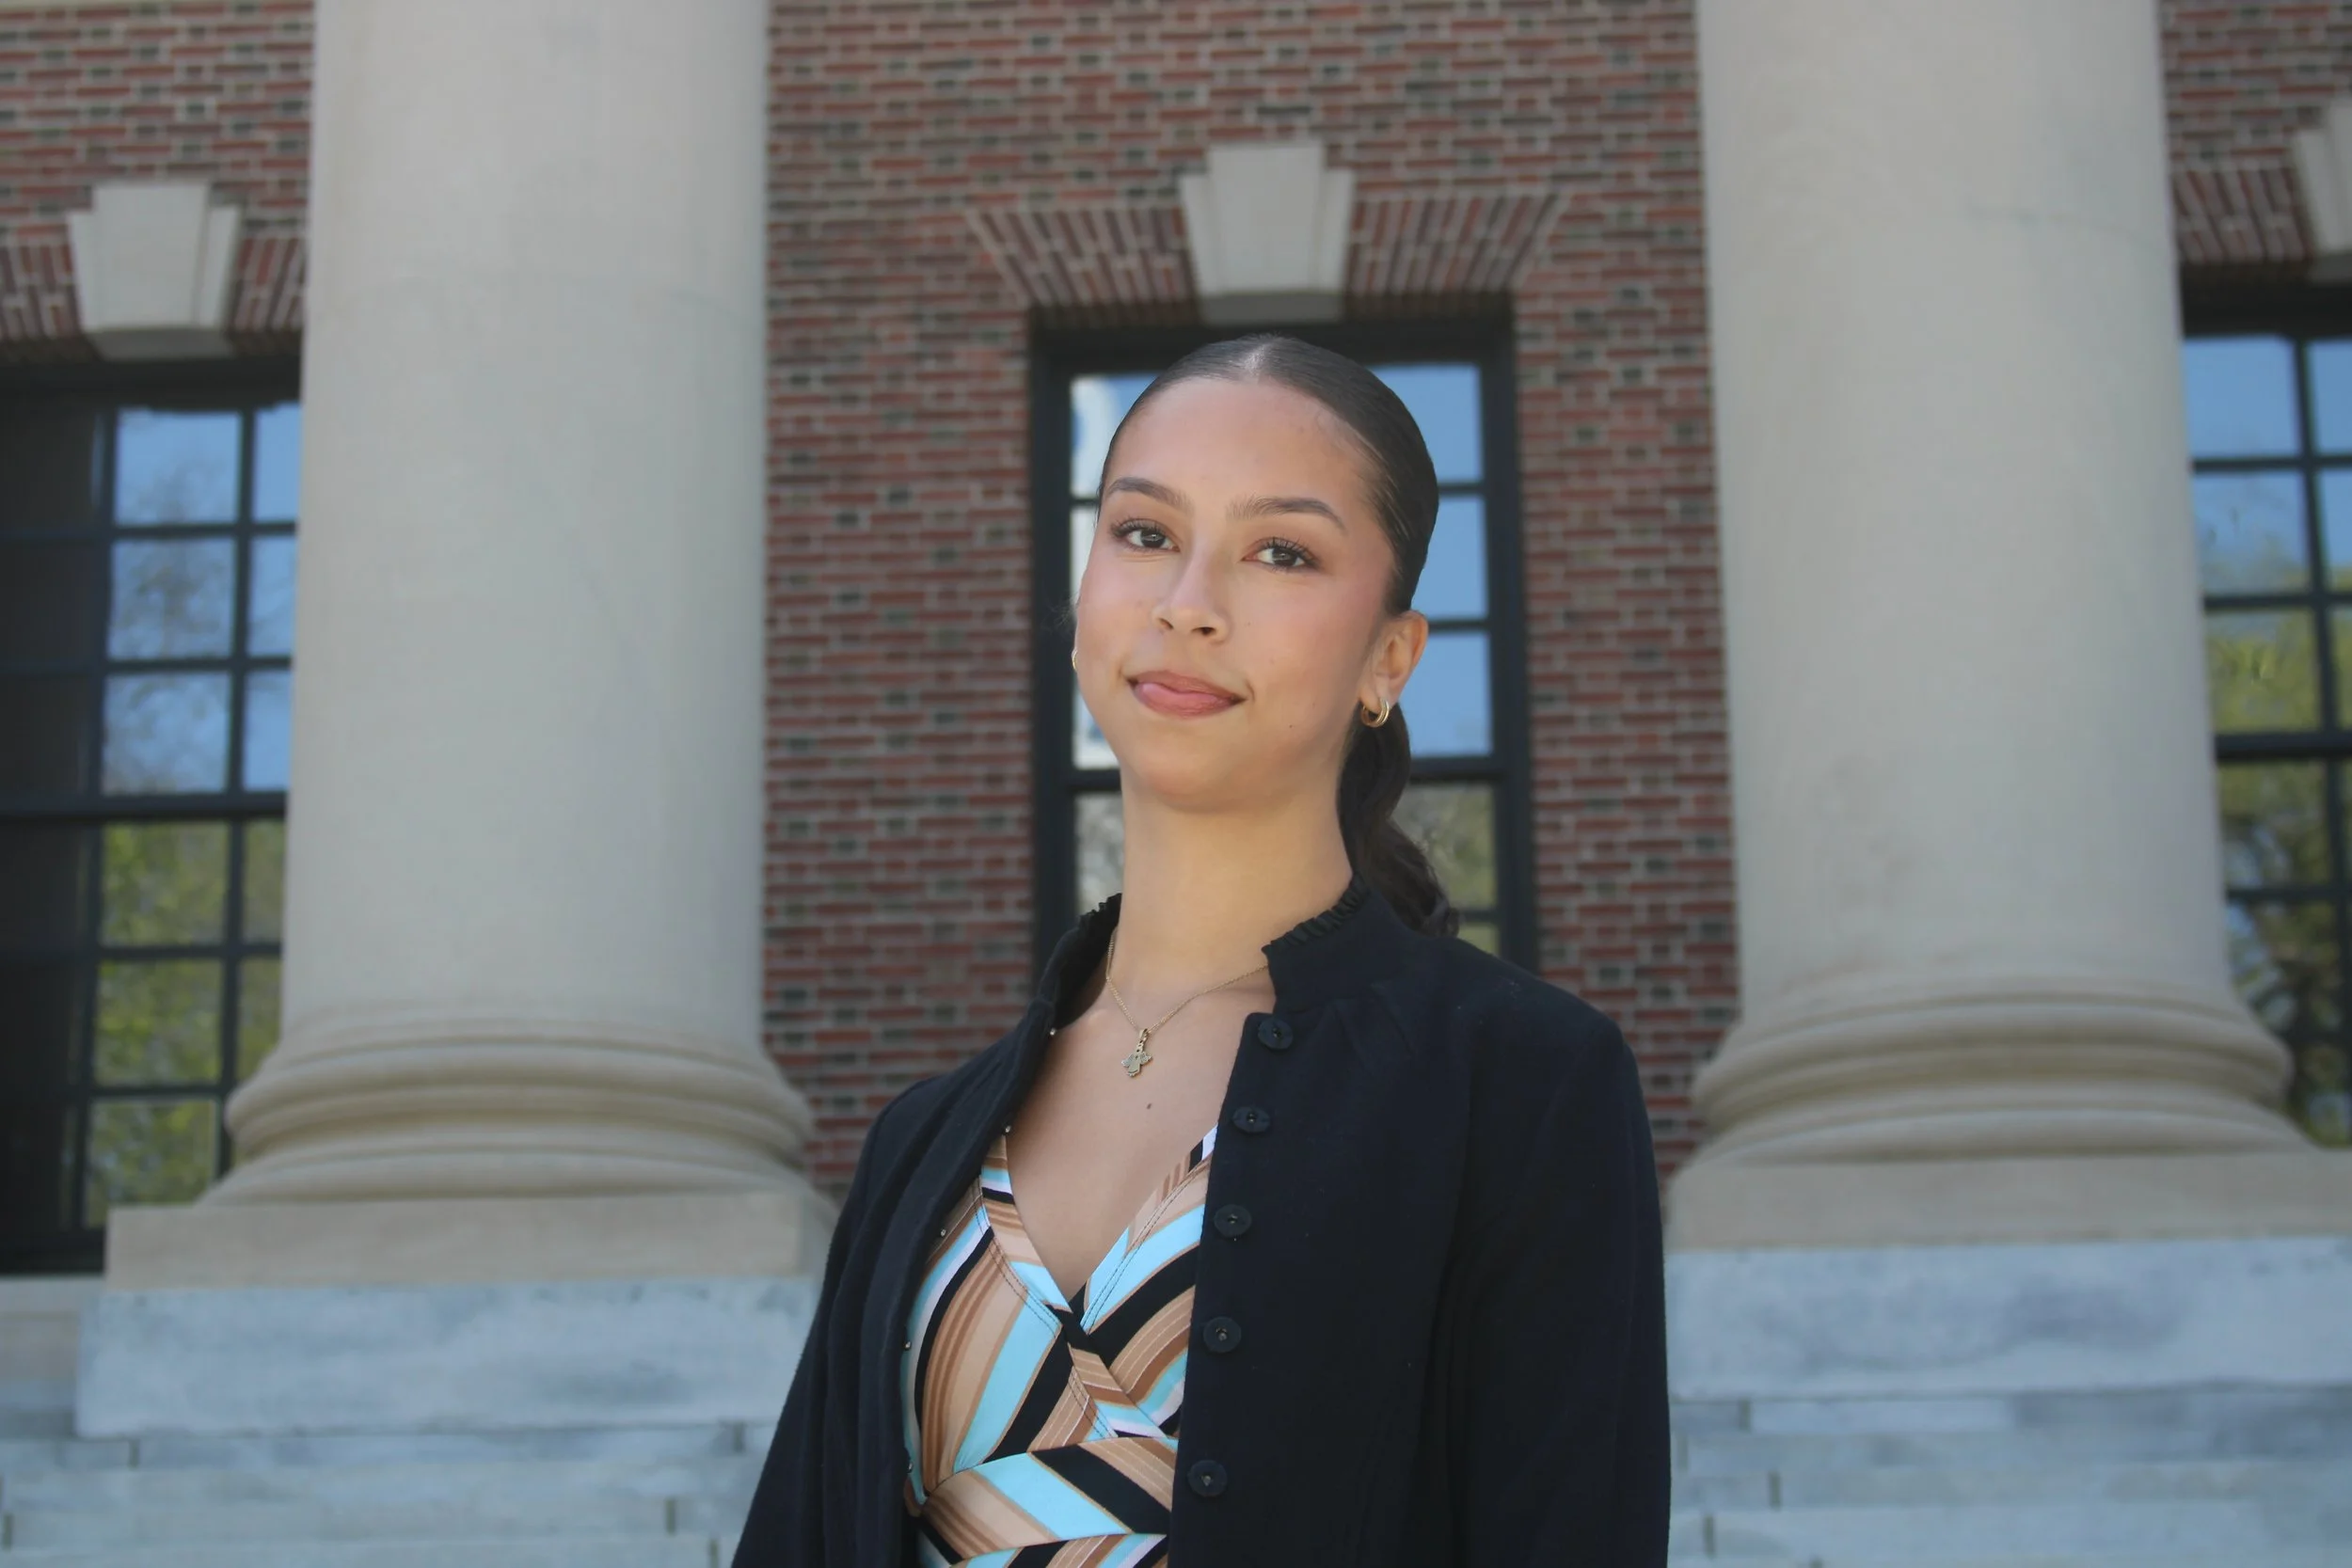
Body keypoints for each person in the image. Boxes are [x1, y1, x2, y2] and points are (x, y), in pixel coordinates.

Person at [733, 333, 1669, 1567]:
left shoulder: (1527, 1081)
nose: (1188, 601)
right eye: (1144, 533)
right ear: (1082, 606)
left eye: (1281, 552)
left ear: (1389, 658)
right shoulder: (918, 1142)